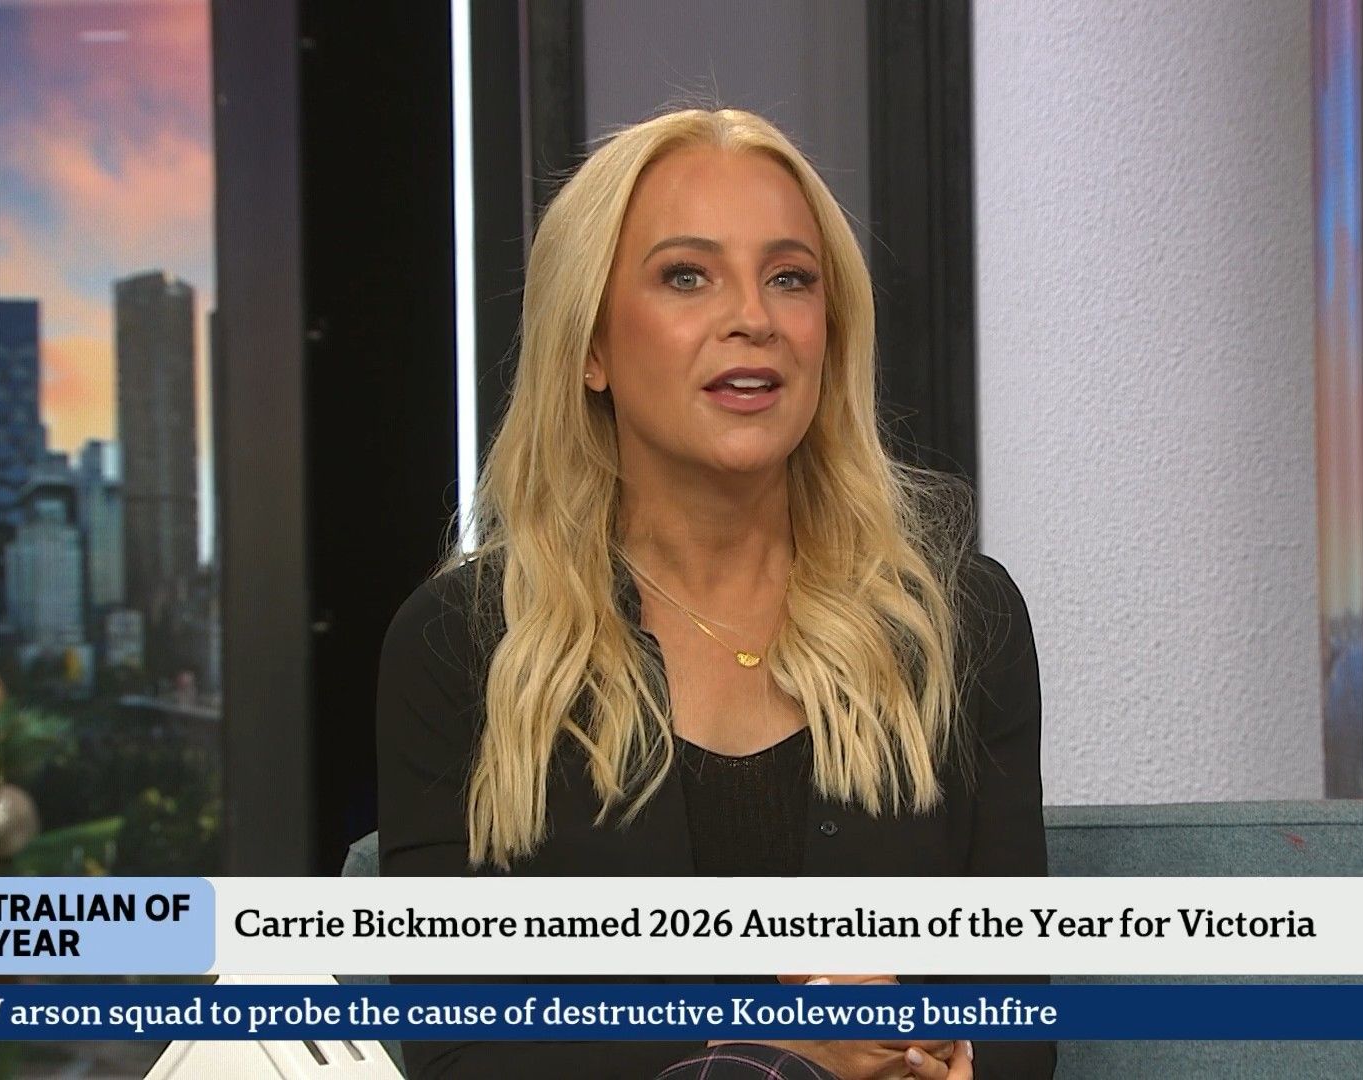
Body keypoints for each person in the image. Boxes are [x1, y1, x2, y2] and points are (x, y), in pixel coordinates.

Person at [376, 105, 1053, 1080]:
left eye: (791, 279)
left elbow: (1020, 1022)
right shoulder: (465, 644)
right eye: (687, 276)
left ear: (830, 336)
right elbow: (460, 1054)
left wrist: (941, 1049)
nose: (754, 318)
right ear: (591, 346)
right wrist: (777, 1053)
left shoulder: (959, 621)